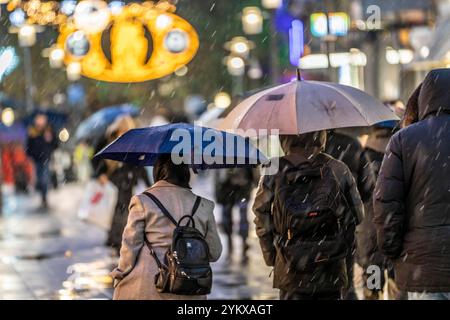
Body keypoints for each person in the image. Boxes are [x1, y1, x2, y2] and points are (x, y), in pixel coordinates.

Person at [253, 132, 364, 300]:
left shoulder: (274, 168)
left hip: (290, 265)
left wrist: (272, 257)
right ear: (321, 136)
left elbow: (261, 216)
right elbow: (357, 215)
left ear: (284, 137)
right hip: (330, 263)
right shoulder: (337, 167)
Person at [374, 68, 450, 300]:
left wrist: (392, 250)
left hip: (421, 266)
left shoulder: (404, 139)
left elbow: (386, 202)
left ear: (424, 98)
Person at [111, 154, 222, 300]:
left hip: (150, 285)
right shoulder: (204, 206)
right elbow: (214, 253)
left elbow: (130, 247)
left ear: (157, 171)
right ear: (185, 173)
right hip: (189, 288)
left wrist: (119, 274)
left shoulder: (143, 201)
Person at [355, 125, 398, 299]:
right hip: (398, 237)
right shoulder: (402, 155)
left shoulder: (361, 157)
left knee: (373, 291)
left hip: (370, 238)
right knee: (399, 293)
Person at [215, 167, 256, 262]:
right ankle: (231, 247)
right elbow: (218, 177)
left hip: (242, 190)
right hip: (227, 191)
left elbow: (253, 175)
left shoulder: (244, 156)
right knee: (228, 219)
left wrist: (245, 180)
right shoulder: (222, 156)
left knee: (242, 218)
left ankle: (243, 245)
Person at [27, 114, 58, 209]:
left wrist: (50, 141)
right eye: (38, 120)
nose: (40, 123)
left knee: (44, 179)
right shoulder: (32, 132)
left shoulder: (49, 131)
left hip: (45, 159)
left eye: (42, 120)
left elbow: (56, 144)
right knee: (40, 180)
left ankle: (44, 198)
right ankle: (42, 196)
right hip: (36, 159)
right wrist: (31, 155)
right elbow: (28, 146)